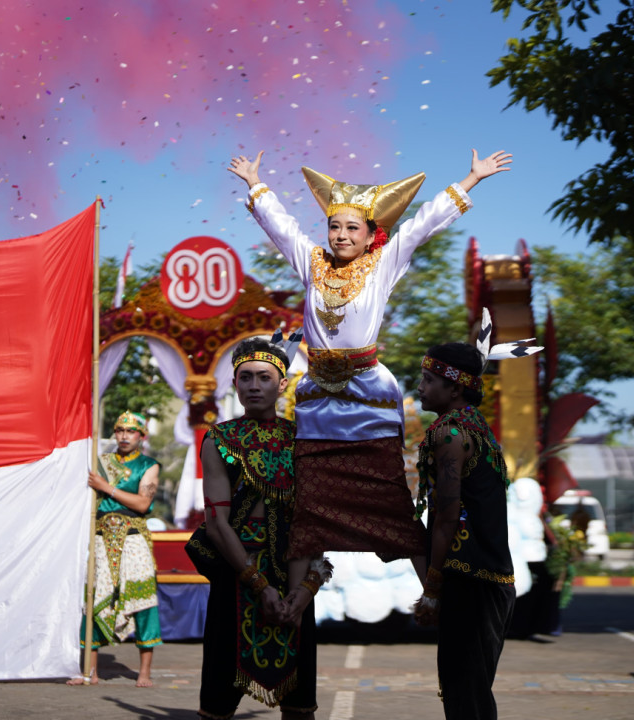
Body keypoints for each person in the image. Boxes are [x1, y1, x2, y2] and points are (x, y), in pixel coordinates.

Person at [227, 149, 512, 571]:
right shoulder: (312, 263)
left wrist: (470, 180)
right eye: (334, 226)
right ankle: (296, 603)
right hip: (317, 398)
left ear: (369, 234)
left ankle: (432, 593)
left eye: (351, 228)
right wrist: (256, 184)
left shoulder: (383, 264)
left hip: (367, 393)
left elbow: (420, 226)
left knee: (389, 500)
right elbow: (282, 229)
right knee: (309, 504)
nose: (341, 235)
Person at [192, 337, 328, 719]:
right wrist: (258, 584)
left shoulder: (304, 439)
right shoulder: (219, 439)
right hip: (238, 575)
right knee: (217, 703)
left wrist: (303, 592)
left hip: (295, 573)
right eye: (246, 377)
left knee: (300, 706)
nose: (254, 386)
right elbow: (216, 523)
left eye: (264, 378)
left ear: (282, 384)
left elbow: (313, 520)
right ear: (234, 384)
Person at [412, 342, 516, 720]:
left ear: (454, 388)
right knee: (467, 691)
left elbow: (447, 515)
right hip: (490, 580)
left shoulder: (451, 435)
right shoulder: (476, 427)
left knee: (465, 696)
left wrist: (432, 588)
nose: (420, 387)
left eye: (428, 380)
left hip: (471, 581)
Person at [69, 411, 162, 687]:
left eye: (130, 431)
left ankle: (143, 673)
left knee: (143, 600)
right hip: (100, 537)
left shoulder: (149, 465)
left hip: (133, 538)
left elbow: (143, 504)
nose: (123, 435)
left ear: (141, 436)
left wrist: (106, 488)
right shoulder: (100, 463)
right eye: (119, 430)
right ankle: (91, 671)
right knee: (94, 598)